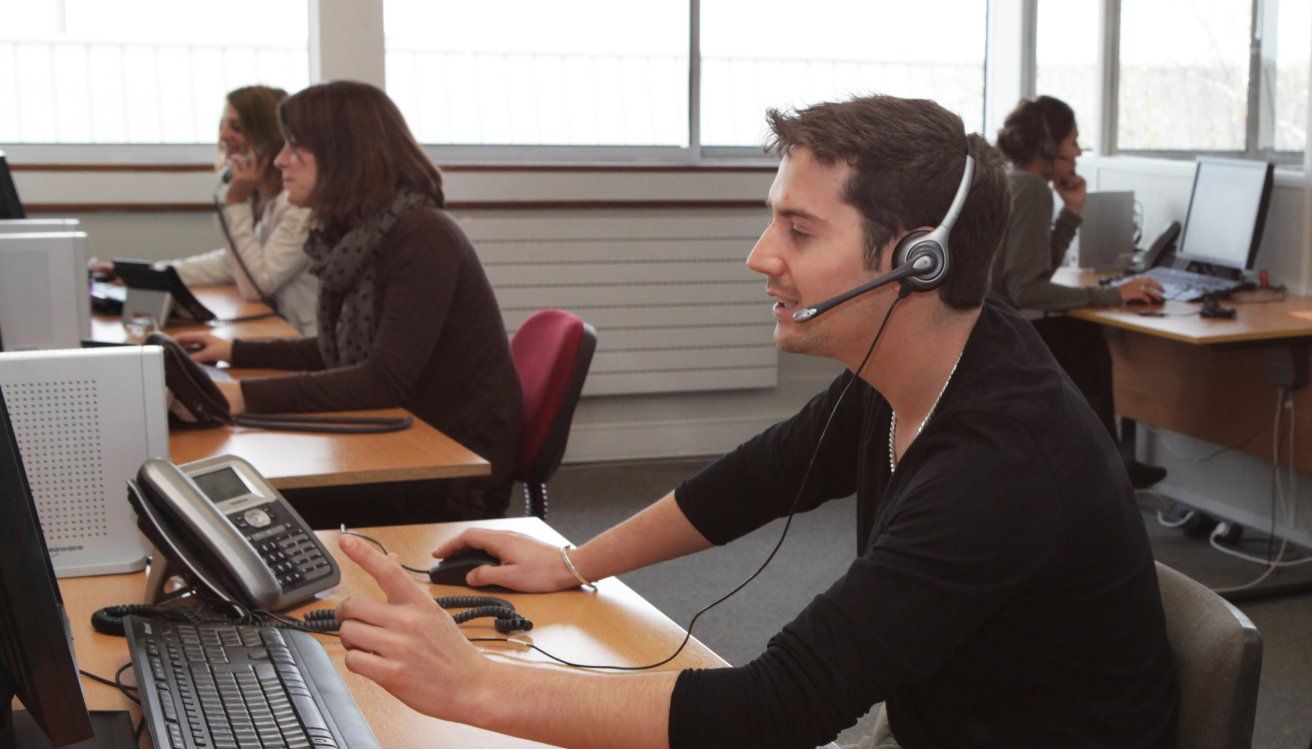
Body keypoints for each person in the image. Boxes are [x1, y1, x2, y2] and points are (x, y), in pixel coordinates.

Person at [325, 95, 1179, 748]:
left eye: (798, 231)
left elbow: (779, 707)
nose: (760, 255)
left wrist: (474, 686)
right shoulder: (926, 365)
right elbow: (754, 480)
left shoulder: (999, 462)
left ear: (918, 259)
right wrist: (573, 562)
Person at [176, 81, 521, 526]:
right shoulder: (357, 233)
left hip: (447, 466)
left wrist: (243, 395)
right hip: (399, 436)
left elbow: (382, 378)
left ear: (343, 155)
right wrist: (234, 352)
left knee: (237, 511)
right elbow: (339, 349)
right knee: (231, 500)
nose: (280, 160)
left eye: (296, 147)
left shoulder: (423, 237)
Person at [987, 95, 1167, 488]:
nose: (1078, 152)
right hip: (995, 336)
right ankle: (1108, 467)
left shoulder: (1011, 180)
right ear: (1049, 147)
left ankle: (1104, 464)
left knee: (1076, 335)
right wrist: (1114, 295)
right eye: (1073, 142)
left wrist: (1071, 211)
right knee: (1083, 338)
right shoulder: (1032, 189)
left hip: (983, 325)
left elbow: (1032, 270)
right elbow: (1027, 289)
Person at [137, 85, 323, 335]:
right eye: (223, 125)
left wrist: (236, 202)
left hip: (303, 338)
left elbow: (257, 284)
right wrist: (153, 273)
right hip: (278, 332)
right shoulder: (266, 198)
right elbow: (232, 264)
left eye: (236, 127)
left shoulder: (300, 207)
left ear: (269, 137)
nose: (224, 135)